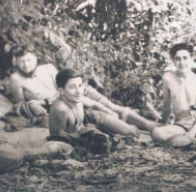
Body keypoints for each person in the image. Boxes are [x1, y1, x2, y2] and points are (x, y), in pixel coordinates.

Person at [8, 43, 158, 131]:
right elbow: (20, 104)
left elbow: (63, 86)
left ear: (34, 58)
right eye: (22, 62)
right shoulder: (16, 79)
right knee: (99, 112)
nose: (26, 65)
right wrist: (31, 103)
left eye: (28, 60)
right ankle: (130, 127)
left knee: (111, 106)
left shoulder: (48, 68)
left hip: (73, 92)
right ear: (16, 62)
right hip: (61, 103)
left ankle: (149, 125)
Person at [48, 68, 139, 153]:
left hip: (87, 124)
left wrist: (109, 112)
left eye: (79, 86)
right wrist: (80, 137)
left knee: (130, 131)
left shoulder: (77, 97)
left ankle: (120, 135)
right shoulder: (60, 109)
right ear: (61, 91)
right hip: (77, 138)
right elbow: (56, 135)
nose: (78, 91)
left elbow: (94, 104)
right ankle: (112, 142)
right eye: (72, 87)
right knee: (104, 142)